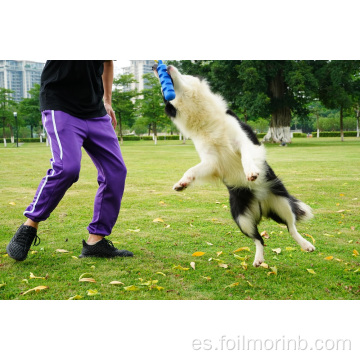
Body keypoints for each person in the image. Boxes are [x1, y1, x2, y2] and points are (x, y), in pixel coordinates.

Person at [6, 60, 133, 261]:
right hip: (60, 105)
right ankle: (30, 225)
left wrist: (107, 101)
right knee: (67, 168)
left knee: (115, 172)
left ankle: (96, 242)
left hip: (96, 111)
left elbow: (108, 62)